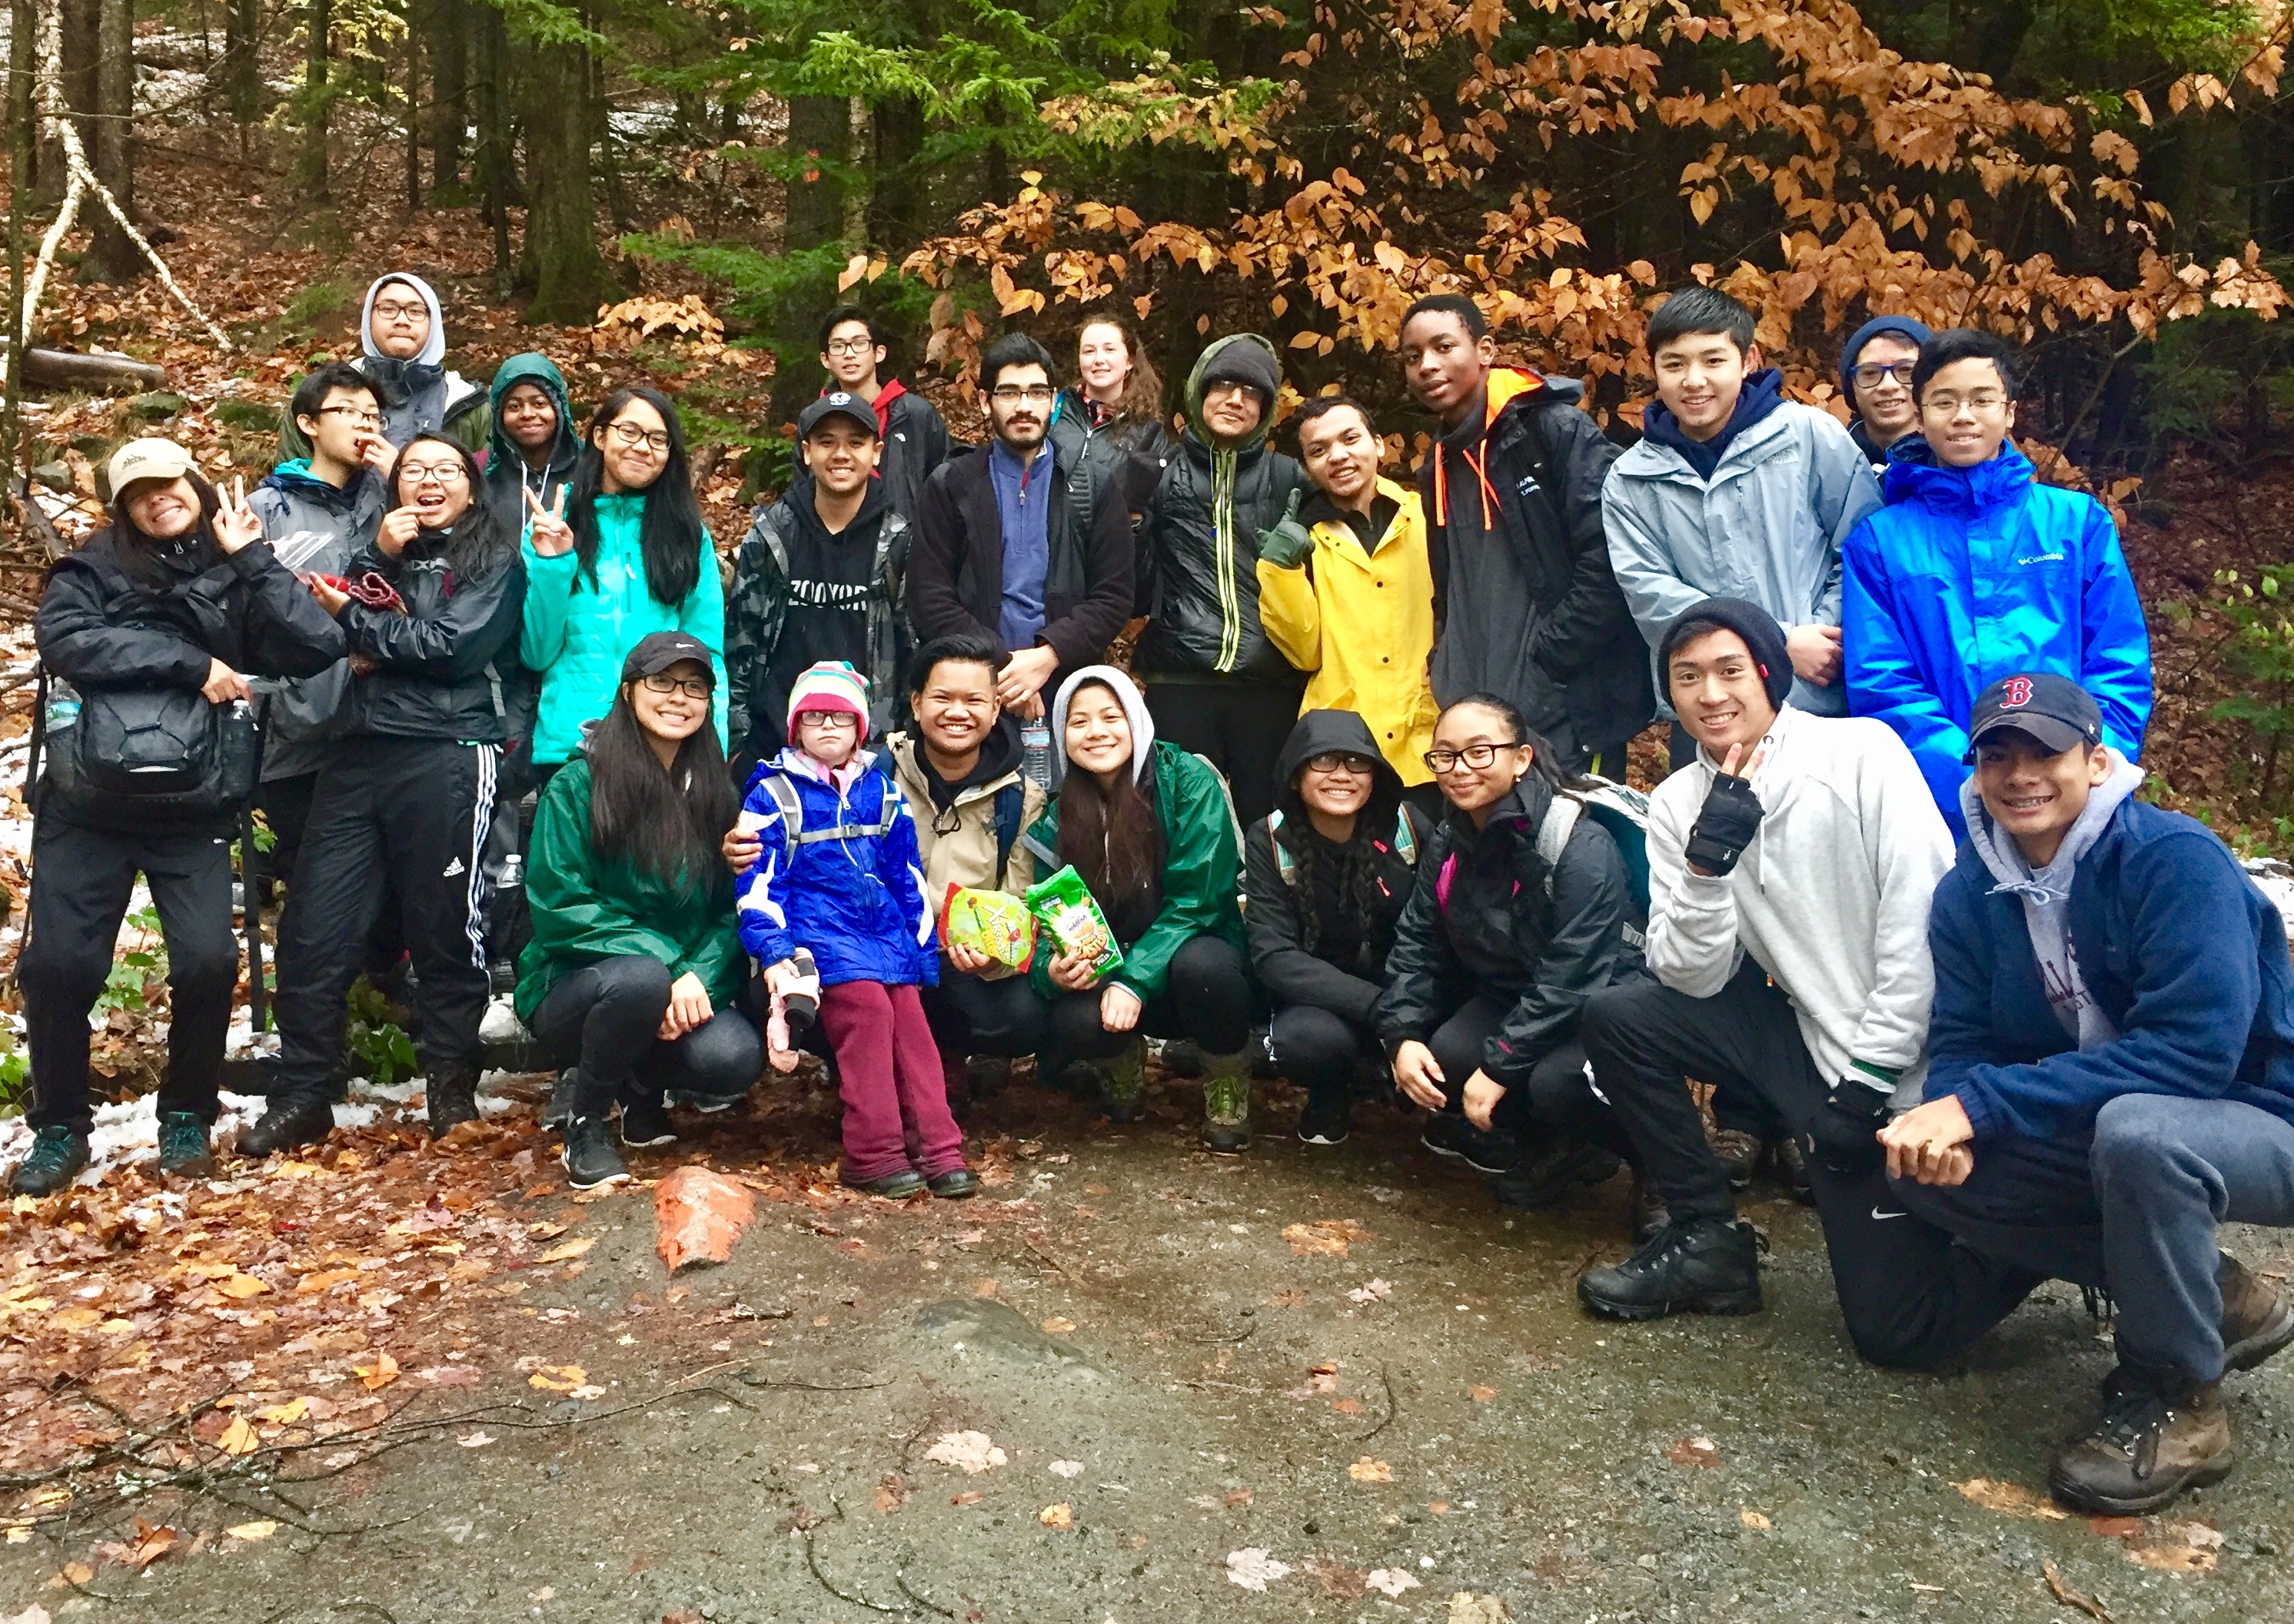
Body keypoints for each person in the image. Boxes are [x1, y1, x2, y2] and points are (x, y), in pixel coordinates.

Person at [1857, 673, 2294, 1513]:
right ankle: (2214, 1292)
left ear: (2095, 762)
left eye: (2044, 752)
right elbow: (1964, 1042)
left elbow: (2193, 1054)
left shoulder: (2173, 860)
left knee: (2141, 1135)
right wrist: (1954, 1121)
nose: (2020, 774)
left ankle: (2180, 1398)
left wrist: (1982, 1107)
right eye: (1997, 755)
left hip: (2259, 1115)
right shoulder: (1968, 894)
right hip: (2115, 1118)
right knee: (1920, 1164)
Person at [1573, 598, 1953, 1320]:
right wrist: (1706, 871)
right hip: (1804, 1040)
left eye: (1730, 670)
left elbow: (1923, 924)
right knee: (1622, 1017)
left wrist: (1870, 1079)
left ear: (1769, 674)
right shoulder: (1678, 801)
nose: (1710, 694)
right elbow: (1690, 976)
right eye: (1688, 677)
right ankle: (1705, 1236)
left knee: (1892, 1327)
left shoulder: (1862, 753)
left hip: (1902, 1064)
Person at [10, 440, 345, 1192]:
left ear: (195, 483)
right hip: (86, 804)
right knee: (58, 966)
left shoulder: (234, 566)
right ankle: (59, 1128)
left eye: (169, 483)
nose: (158, 498)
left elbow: (320, 643)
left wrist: (254, 560)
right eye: (139, 493)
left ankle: (186, 1114)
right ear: (122, 507)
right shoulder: (90, 568)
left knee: (207, 962)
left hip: (194, 804)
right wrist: (193, 664)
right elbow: (65, 640)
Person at [241, 434, 527, 1154]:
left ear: (470, 486)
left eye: (447, 469)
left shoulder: (494, 559)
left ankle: (451, 1085)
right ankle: (304, 1091)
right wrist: (375, 560)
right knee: (314, 925)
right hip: (355, 751)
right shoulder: (376, 551)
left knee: (444, 922)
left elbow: (451, 648)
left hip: (448, 749)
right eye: (414, 470)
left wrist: (359, 624)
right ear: (394, 484)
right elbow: (324, 630)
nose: (430, 480)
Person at [1841, 327, 2153, 837]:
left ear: (2009, 412)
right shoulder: (1879, 542)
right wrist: (1977, 779)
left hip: (2077, 805)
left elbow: (2119, 661)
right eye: (1945, 401)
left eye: (1982, 400)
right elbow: (1884, 685)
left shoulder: (2076, 523)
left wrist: (2084, 768)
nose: (1963, 416)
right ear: (1920, 414)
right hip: (1944, 812)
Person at [1376, 694, 1649, 1218]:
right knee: (1450, 1056)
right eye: (1445, 756)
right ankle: (1560, 1146)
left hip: (1606, 1002)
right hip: (1517, 991)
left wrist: (1500, 1064)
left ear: (1521, 758)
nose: (1460, 769)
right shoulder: (1452, 838)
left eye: (1480, 752)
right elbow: (1418, 940)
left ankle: (1659, 1166)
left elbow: (1575, 973)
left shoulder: (1577, 843)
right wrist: (1401, 1034)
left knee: (1557, 1083)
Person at [518, 632, 759, 1190]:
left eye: (694, 687)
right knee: (639, 981)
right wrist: (668, 967)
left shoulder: (717, 794)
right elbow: (560, 902)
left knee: (733, 1057)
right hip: (576, 984)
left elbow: (732, 911)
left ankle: (641, 1090)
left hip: (676, 978)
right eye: (662, 682)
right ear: (629, 691)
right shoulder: (577, 784)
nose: (679, 698)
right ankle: (585, 1124)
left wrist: (697, 976)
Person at [735, 660, 977, 1199]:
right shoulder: (772, 794)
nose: (828, 726)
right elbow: (759, 884)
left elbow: (906, 875)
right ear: (795, 727)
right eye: (814, 716)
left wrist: (921, 950)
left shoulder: (881, 790)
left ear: (860, 729)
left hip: (884, 937)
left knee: (911, 1025)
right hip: (819, 938)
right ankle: (874, 1151)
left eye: (841, 717)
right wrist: (775, 950)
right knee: (867, 1013)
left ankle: (939, 1149)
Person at [1396, 293, 1651, 775]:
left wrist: (1550, 657)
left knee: (1574, 824)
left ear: (1485, 350)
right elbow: (1450, 582)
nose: (1427, 365)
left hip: (1565, 703)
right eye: (1413, 356)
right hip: (1476, 712)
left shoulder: (1551, 431)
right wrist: (1445, 658)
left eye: (1444, 347)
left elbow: (1610, 559)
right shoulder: (1438, 461)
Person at [1604, 286, 1881, 723]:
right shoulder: (1630, 478)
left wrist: (1823, 637)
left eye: (1713, 360)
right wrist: (1778, 641)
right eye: (1674, 364)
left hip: (1816, 694)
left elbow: (1863, 548)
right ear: (1653, 368)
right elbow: (1651, 592)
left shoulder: (1808, 436)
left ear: (1748, 360)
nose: (1694, 380)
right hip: (1708, 708)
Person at [1020, 666, 1253, 1144]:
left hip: (1191, 957)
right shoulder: (1057, 815)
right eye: (1079, 722)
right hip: (1117, 963)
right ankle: (1121, 1064)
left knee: (1206, 967)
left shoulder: (1187, 780)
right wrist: (1052, 970)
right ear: (1062, 734)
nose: (1096, 732)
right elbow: (1047, 916)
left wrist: (1134, 980)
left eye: (1111, 717)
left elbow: (1199, 900)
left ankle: (1227, 1077)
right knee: (1072, 1015)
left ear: (1137, 720)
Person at [906, 332, 1135, 728]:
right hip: (970, 695)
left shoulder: (1093, 485)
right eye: (1009, 393)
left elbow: (1113, 595)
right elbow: (929, 595)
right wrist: (1001, 664)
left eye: (1037, 393)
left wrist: (1048, 656)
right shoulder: (951, 484)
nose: (1024, 406)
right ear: (985, 401)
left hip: (1067, 693)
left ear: (1053, 401)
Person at [1132, 334, 1310, 826]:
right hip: (1179, 679)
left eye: (1251, 392)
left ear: (1266, 409)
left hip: (1269, 685)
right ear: (1199, 393)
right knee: (1180, 824)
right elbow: (1133, 591)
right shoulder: (1161, 473)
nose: (1235, 399)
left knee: (1271, 825)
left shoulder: (1289, 477)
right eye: (1224, 386)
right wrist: (1132, 517)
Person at [521, 386, 727, 781]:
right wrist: (554, 564)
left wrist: (711, 749)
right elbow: (536, 653)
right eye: (629, 431)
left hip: (662, 744)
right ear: (600, 436)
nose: (643, 447)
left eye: (658, 439)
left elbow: (707, 651)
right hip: (570, 746)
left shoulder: (686, 535)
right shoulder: (555, 525)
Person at [1246, 709, 1430, 1147]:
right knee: (1307, 1041)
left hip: (1408, 986)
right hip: (1323, 998)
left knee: (1459, 1033)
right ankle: (1333, 1089)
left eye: (1357, 762)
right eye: (1323, 761)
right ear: (1296, 776)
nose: (1342, 775)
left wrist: (1405, 1008)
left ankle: (1448, 1105)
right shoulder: (1269, 839)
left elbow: (1440, 931)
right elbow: (1275, 956)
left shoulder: (1408, 828)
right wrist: (1381, 1009)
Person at [248, 362, 392, 896]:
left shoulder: (394, 496)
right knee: (307, 874)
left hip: (383, 718)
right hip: (297, 723)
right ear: (309, 424)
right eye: (347, 411)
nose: (364, 424)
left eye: (373, 415)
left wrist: (401, 476)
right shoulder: (268, 506)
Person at [884, 634, 1049, 1096]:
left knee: (1024, 1014)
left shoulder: (1021, 799)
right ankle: (875, 1066)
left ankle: (946, 1058)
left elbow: (1021, 903)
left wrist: (992, 959)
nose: (957, 712)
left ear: (995, 710)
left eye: (974, 700)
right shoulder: (874, 776)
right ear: (917, 704)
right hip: (881, 953)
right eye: (942, 698)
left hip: (960, 962)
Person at [1253, 395, 1438, 802]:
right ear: (1307, 467)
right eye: (1319, 450)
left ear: (1378, 444)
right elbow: (1305, 654)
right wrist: (1280, 569)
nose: (1337, 456)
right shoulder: (1303, 538)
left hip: (1429, 741)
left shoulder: (1428, 517)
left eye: (1350, 439)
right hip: (1343, 750)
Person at [725, 391, 909, 766]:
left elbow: (911, 647)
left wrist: (898, 741)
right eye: (827, 442)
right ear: (807, 452)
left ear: (876, 453)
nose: (841, 454)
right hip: (772, 745)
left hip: (867, 751)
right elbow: (740, 641)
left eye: (855, 443)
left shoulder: (899, 541)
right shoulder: (773, 535)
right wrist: (738, 739)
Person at [280, 273, 489, 458]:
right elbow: (293, 477)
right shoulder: (321, 394)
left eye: (416, 311)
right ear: (368, 319)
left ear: (433, 323)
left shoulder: (469, 405)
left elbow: (486, 483)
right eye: (388, 309)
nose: (402, 320)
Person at [816, 304, 952, 523]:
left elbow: (946, 488)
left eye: (859, 344)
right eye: (838, 346)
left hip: (908, 539)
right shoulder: (815, 419)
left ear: (879, 353)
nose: (849, 354)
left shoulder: (917, 414)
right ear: (825, 359)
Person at [1047, 314, 1173, 527]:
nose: (1098, 359)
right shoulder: (1053, 410)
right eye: (1089, 351)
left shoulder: (1147, 433)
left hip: (1110, 541)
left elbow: (1158, 517)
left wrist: (1133, 514)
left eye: (1109, 350)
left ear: (1129, 361)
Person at [482, 352, 582, 533]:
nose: (527, 414)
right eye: (514, 406)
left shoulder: (591, 466)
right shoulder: (481, 472)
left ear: (559, 409)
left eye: (539, 403)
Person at [1837, 315, 1930, 475]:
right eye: (1870, 373)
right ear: (1851, 386)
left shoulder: (1962, 465)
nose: (1888, 386)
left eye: (1906, 370)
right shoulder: (1827, 468)